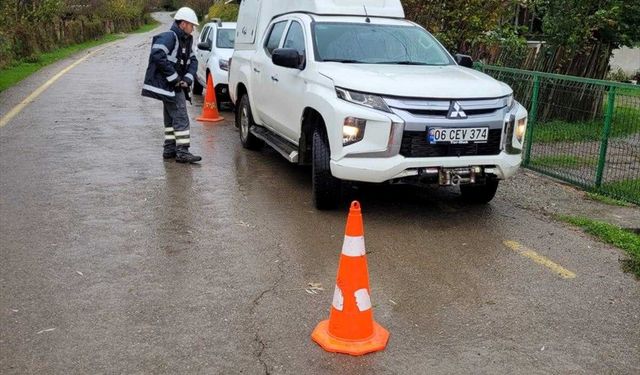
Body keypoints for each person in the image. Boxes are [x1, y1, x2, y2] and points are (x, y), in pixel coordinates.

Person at [142, 7, 201, 164]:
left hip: (174, 86)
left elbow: (193, 61)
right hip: (172, 86)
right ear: (182, 24)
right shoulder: (171, 36)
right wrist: (175, 79)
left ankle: (169, 149)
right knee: (181, 116)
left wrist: (187, 80)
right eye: (191, 25)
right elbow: (157, 54)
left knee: (170, 119)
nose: (193, 28)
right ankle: (182, 151)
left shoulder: (186, 40)